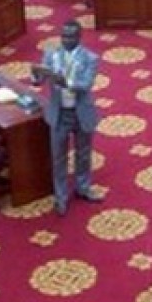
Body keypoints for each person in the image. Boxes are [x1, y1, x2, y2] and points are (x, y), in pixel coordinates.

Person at [36, 19, 104, 216]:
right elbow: (40, 80)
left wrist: (66, 82)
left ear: (79, 37)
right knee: (58, 157)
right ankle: (61, 197)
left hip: (81, 112)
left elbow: (86, 84)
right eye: (63, 36)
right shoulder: (50, 54)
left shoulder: (90, 58)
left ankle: (83, 188)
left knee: (83, 154)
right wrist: (36, 76)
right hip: (59, 114)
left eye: (71, 36)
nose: (66, 40)